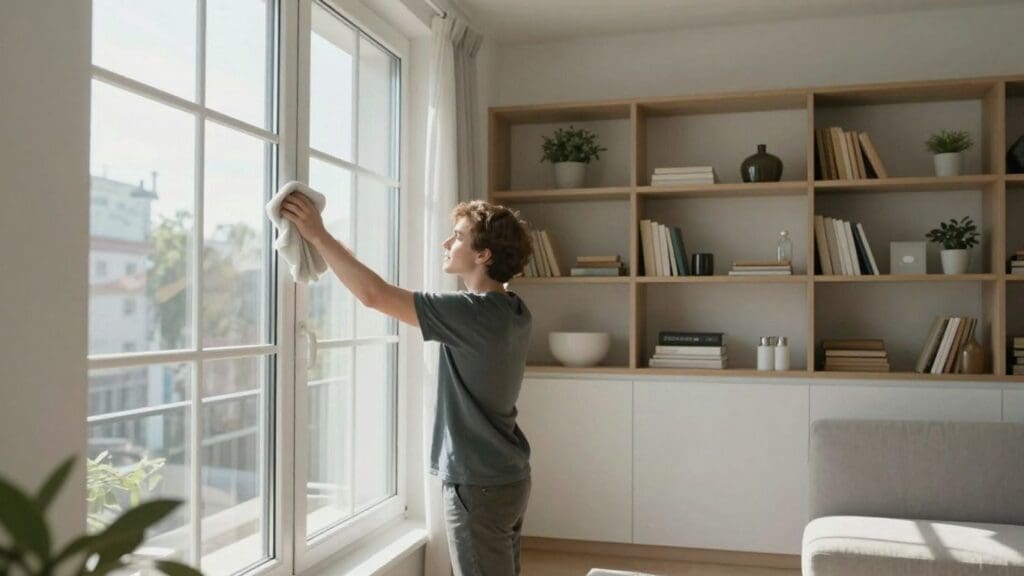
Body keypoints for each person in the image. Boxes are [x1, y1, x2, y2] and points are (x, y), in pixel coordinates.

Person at [281, 193, 535, 576]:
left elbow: (375, 296)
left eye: (458, 236)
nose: (446, 243)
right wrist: (333, 249)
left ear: (483, 255)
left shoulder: (473, 315)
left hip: (478, 482)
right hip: (507, 475)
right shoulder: (513, 308)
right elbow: (377, 290)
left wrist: (318, 236)